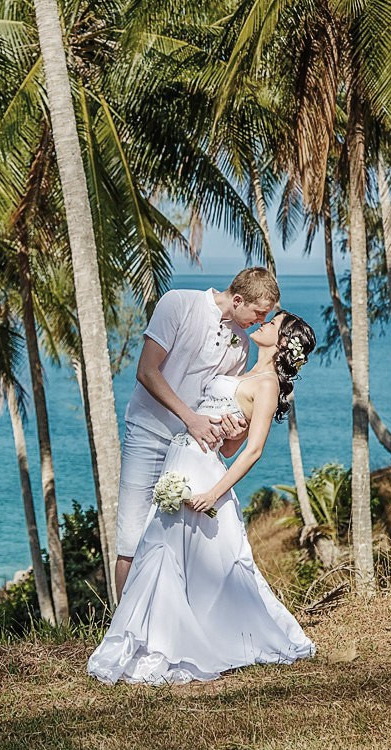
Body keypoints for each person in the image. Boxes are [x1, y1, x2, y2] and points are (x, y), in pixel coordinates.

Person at [88, 311, 318, 685]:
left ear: (281, 344)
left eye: (273, 323)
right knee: (167, 553)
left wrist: (214, 492)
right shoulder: (245, 372)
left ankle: (175, 644)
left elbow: (253, 450)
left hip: (203, 475)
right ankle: (154, 639)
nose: (264, 323)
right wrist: (231, 429)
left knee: (180, 555)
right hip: (180, 458)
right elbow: (228, 441)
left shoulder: (268, 384)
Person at [115, 268, 279, 597]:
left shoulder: (242, 345)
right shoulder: (178, 304)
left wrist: (232, 428)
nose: (261, 321)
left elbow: (221, 404)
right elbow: (146, 371)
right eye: (259, 313)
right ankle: (124, 632)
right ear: (237, 299)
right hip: (148, 434)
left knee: (182, 542)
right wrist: (190, 418)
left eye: (268, 317)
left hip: (195, 452)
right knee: (132, 539)